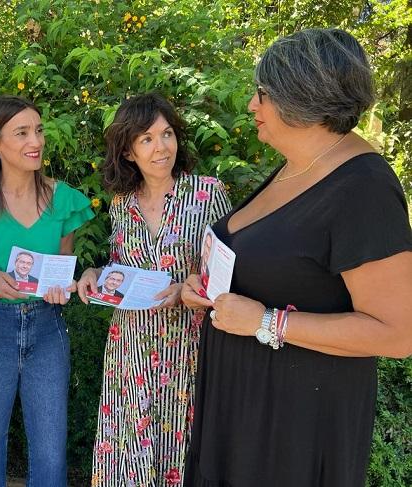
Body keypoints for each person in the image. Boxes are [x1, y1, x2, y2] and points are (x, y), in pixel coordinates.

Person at [181, 28, 412, 487]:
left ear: (299, 99)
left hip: (293, 427)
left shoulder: (363, 189)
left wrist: (267, 321)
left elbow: (398, 334)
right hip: (241, 410)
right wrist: (203, 284)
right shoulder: (297, 164)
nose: (252, 106)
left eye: (262, 94)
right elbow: (278, 263)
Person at [77, 92, 231, 486]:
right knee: (128, 444)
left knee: (181, 443)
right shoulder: (120, 203)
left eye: (166, 134)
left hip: (187, 345)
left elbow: (227, 273)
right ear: (128, 152)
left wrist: (187, 286)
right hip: (130, 346)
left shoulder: (207, 192)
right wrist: (96, 273)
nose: (161, 147)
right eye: (146, 139)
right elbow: (120, 267)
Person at [0, 95, 94, 486]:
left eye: (39, 130)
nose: (37, 141)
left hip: (47, 330)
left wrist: (64, 288)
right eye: (22, 132)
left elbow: (63, 269)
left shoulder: (65, 200)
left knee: (50, 452)